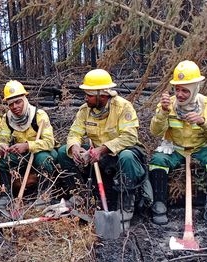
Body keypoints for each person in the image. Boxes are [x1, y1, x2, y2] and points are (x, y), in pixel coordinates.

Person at [57, 69, 148, 230]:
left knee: (127, 155)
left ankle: (126, 207)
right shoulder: (85, 110)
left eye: (89, 95)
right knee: (64, 151)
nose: (86, 98)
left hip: (121, 153)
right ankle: (80, 196)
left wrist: (102, 150)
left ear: (103, 95)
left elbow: (130, 137)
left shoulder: (123, 107)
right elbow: (74, 133)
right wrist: (76, 147)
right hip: (97, 155)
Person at [149, 60, 207, 230]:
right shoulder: (167, 105)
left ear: (195, 89)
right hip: (175, 149)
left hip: (201, 148)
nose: (180, 95)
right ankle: (159, 206)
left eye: (185, 91)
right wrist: (163, 113)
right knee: (157, 159)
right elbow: (155, 132)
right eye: (177, 89)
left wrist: (203, 122)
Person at [0, 80, 57, 208]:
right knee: (1, 161)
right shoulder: (7, 118)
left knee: (44, 159)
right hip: (22, 155)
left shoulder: (39, 115)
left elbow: (49, 142)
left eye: (18, 102)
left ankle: (44, 194)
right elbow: (2, 139)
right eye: (11, 104)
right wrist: (2, 146)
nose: (15, 107)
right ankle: (6, 194)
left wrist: (28, 146)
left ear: (24, 99)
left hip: (42, 151)